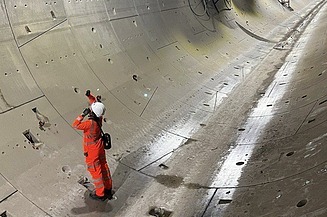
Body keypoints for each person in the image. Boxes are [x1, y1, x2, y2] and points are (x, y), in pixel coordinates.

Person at [72, 101, 113, 201]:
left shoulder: (89, 124)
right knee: (104, 167)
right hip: (100, 148)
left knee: (96, 172)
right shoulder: (99, 119)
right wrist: (91, 97)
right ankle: (108, 188)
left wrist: (82, 115)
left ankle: (100, 194)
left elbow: (75, 125)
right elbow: (97, 106)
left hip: (92, 152)